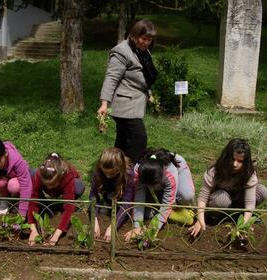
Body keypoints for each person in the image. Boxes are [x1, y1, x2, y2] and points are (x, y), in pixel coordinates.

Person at [97, 19, 157, 163]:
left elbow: (143, 75)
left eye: (149, 39)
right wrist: (104, 103)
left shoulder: (143, 51)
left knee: (123, 141)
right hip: (125, 105)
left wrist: (148, 93)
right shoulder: (122, 51)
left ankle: (115, 169)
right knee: (138, 139)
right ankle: (134, 171)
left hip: (135, 103)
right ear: (135, 35)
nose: (146, 42)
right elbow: (111, 77)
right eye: (143, 38)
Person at [188, 138, 267, 237]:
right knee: (222, 200)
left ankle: (238, 216)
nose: (235, 164)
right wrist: (200, 220)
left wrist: (242, 226)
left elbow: (250, 203)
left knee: (262, 191)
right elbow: (203, 198)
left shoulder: (249, 174)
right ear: (226, 157)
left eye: (240, 161)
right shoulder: (215, 171)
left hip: (238, 200)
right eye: (233, 159)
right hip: (218, 201)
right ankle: (215, 216)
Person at [124, 148, 195, 242]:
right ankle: (162, 210)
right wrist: (137, 226)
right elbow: (139, 197)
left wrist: (154, 228)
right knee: (146, 213)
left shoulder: (170, 173)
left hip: (178, 167)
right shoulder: (139, 170)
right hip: (153, 174)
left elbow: (167, 202)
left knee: (186, 196)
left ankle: (178, 208)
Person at [28, 153, 85, 246]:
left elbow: (69, 207)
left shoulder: (67, 175)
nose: (49, 188)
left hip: (64, 189)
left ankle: (60, 202)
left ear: (59, 178)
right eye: (47, 185)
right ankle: (44, 202)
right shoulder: (40, 174)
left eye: (52, 185)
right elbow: (32, 202)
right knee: (31, 172)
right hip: (51, 186)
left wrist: (56, 235)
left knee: (78, 186)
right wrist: (33, 229)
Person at [90, 147, 135, 242]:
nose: (107, 176)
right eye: (105, 173)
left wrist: (113, 226)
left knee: (129, 214)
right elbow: (93, 196)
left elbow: (127, 202)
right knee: (103, 212)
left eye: (111, 174)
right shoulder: (98, 171)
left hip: (122, 197)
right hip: (109, 195)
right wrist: (94, 221)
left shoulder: (129, 174)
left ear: (120, 169)